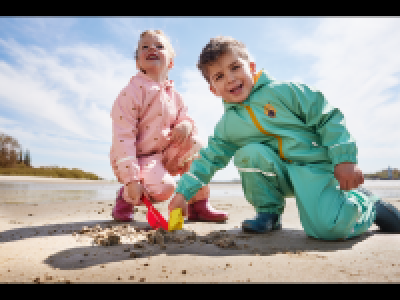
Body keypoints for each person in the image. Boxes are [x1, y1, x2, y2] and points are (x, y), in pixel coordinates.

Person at [168, 36, 400, 240]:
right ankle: (268, 212)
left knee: (328, 229)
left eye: (235, 67)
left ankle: (368, 205)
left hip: (311, 168)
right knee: (248, 154)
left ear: (252, 67)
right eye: (219, 76)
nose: (230, 78)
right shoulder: (227, 126)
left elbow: (326, 115)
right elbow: (208, 160)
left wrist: (344, 158)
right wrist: (182, 194)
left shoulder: (283, 91)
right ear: (213, 89)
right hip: (276, 175)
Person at [110, 30, 228, 223]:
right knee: (165, 188)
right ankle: (126, 196)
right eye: (145, 47)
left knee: (196, 143)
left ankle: (198, 204)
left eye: (159, 46)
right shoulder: (131, 93)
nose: (152, 49)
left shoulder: (174, 95)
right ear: (138, 63)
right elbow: (123, 137)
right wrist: (131, 179)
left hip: (163, 155)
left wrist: (185, 125)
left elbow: (186, 118)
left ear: (171, 63)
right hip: (135, 159)